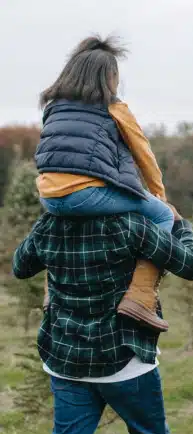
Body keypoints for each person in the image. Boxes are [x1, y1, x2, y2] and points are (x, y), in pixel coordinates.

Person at [12, 205, 193, 434]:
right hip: (125, 361)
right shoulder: (130, 224)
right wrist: (180, 223)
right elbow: (192, 265)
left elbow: (20, 267)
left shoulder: (50, 223)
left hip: (67, 362)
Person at [34, 35, 173, 331]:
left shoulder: (55, 107)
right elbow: (143, 154)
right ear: (108, 77)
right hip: (84, 195)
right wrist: (159, 196)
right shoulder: (113, 107)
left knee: (60, 228)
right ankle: (140, 296)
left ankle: (51, 295)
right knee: (163, 216)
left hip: (49, 198)